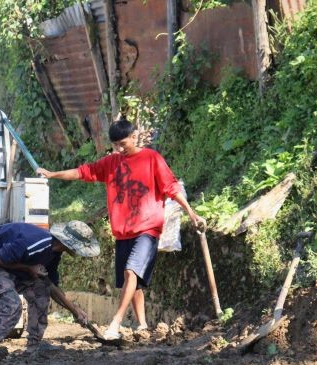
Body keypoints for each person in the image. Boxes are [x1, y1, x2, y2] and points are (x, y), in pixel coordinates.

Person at [36, 118, 204, 340]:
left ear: (135, 137)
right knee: (132, 283)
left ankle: (115, 322)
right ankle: (142, 325)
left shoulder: (151, 158)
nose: (119, 149)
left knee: (130, 272)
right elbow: (82, 172)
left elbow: (171, 187)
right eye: (115, 145)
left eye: (123, 143)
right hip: (123, 232)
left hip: (148, 229)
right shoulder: (111, 162)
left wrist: (191, 212)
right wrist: (53, 174)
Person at [0, 221, 100, 363]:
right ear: (68, 243)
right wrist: (29, 268)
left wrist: (75, 310)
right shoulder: (34, 244)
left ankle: (34, 346)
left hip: (10, 265)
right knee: (12, 306)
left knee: (41, 289)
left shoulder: (55, 253)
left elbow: (50, 285)